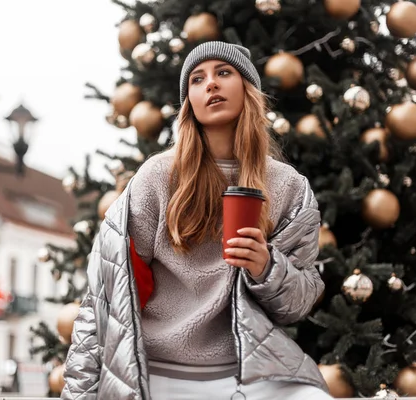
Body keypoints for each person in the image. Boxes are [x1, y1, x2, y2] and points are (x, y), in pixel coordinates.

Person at [61, 41, 332, 400]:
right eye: (197, 79)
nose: (211, 84)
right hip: (155, 372)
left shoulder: (289, 187)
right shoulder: (157, 177)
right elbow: (106, 295)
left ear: (247, 89)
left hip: (246, 372)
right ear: (189, 101)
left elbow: (298, 302)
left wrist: (267, 268)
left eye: (224, 73)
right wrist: (79, 394)